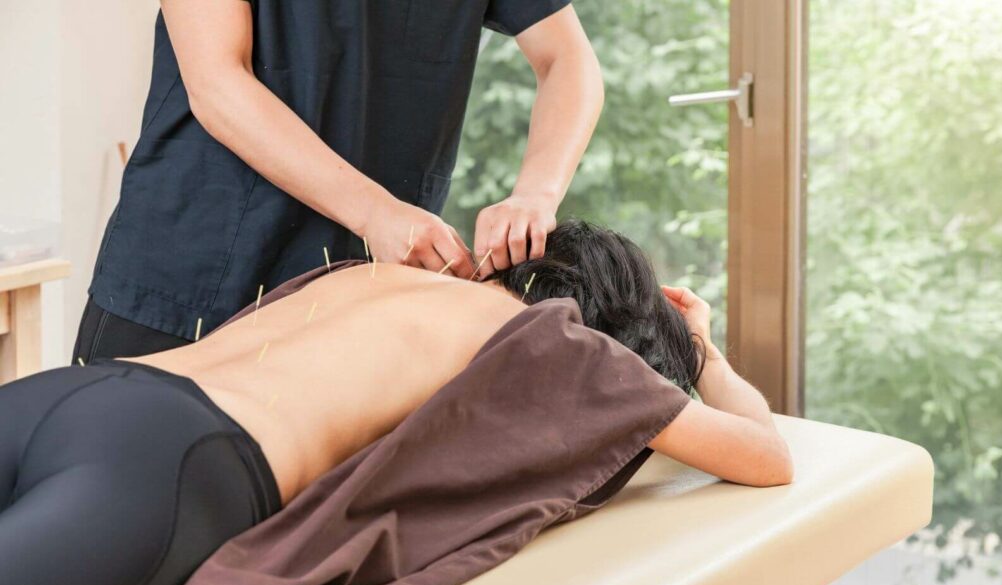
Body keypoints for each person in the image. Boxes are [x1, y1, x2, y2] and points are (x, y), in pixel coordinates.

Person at [1, 221, 791, 585]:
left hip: (68, 395)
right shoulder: (562, 346)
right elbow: (764, 453)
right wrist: (704, 350)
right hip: (172, 467)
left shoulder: (375, 273)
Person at [73, 0, 605, 363]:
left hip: (360, 300)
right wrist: (377, 213)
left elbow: (568, 59)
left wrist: (535, 193)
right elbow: (216, 84)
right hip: (189, 278)